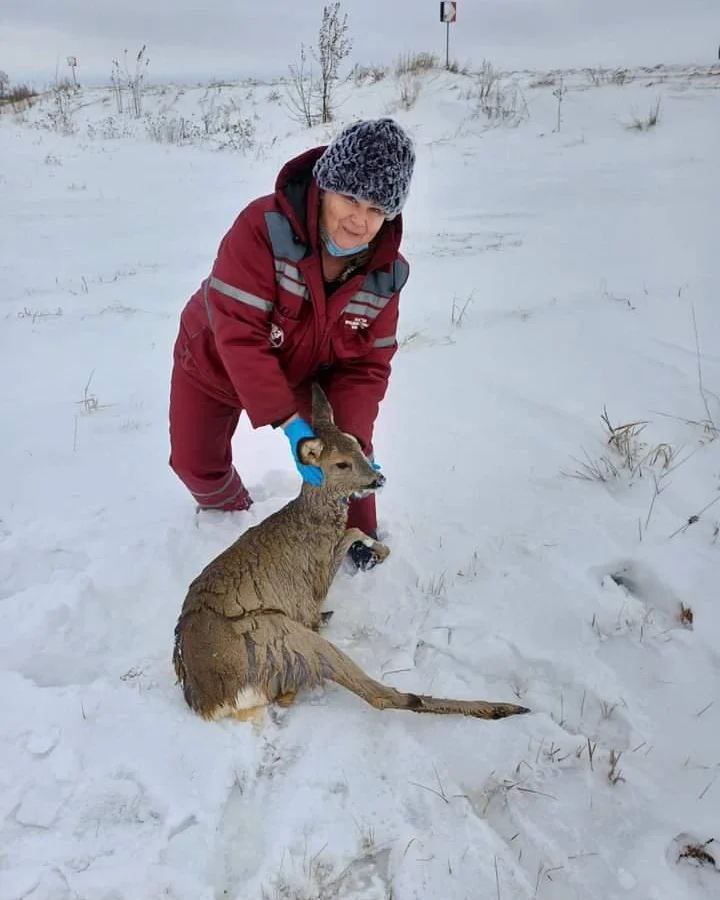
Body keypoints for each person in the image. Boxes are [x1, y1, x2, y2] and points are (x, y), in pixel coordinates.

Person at [168, 118, 415, 570]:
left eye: (378, 210)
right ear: (325, 186)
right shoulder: (263, 229)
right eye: (351, 199)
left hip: (303, 372)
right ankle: (228, 515)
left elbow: (368, 368)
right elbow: (239, 337)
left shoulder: (387, 273)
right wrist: (288, 422)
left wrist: (351, 442)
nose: (360, 221)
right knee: (194, 463)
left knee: (349, 450)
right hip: (213, 361)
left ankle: (355, 538)